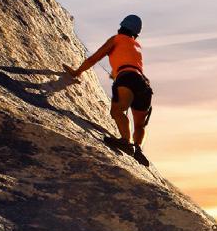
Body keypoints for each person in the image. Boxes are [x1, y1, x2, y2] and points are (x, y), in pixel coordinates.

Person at [64, 14, 153, 166]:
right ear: (136, 33)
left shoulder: (116, 39)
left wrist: (77, 72)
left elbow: (94, 58)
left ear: (121, 27)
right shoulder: (137, 46)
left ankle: (125, 141)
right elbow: (131, 64)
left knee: (117, 111)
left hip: (127, 78)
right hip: (144, 85)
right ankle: (138, 149)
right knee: (139, 125)